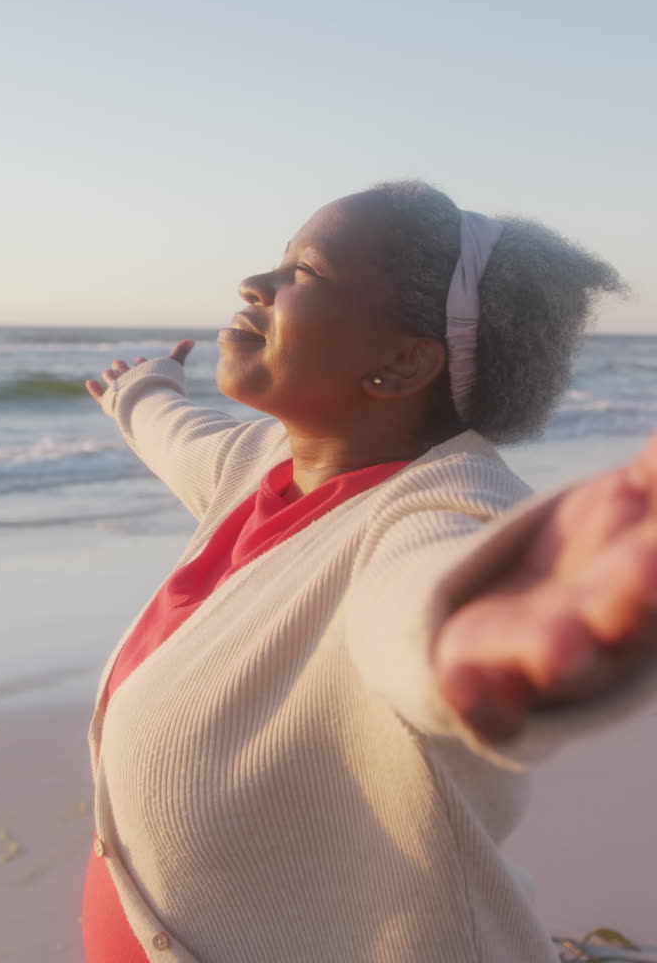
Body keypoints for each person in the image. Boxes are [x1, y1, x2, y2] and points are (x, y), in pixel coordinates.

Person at [82, 180, 657, 963]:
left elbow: (415, 598)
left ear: (403, 361)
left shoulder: (437, 510)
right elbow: (177, 432)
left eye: (306, 273)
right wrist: (138, 390)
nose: (257, 284)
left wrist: (481, 631)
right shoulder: (262, 464)